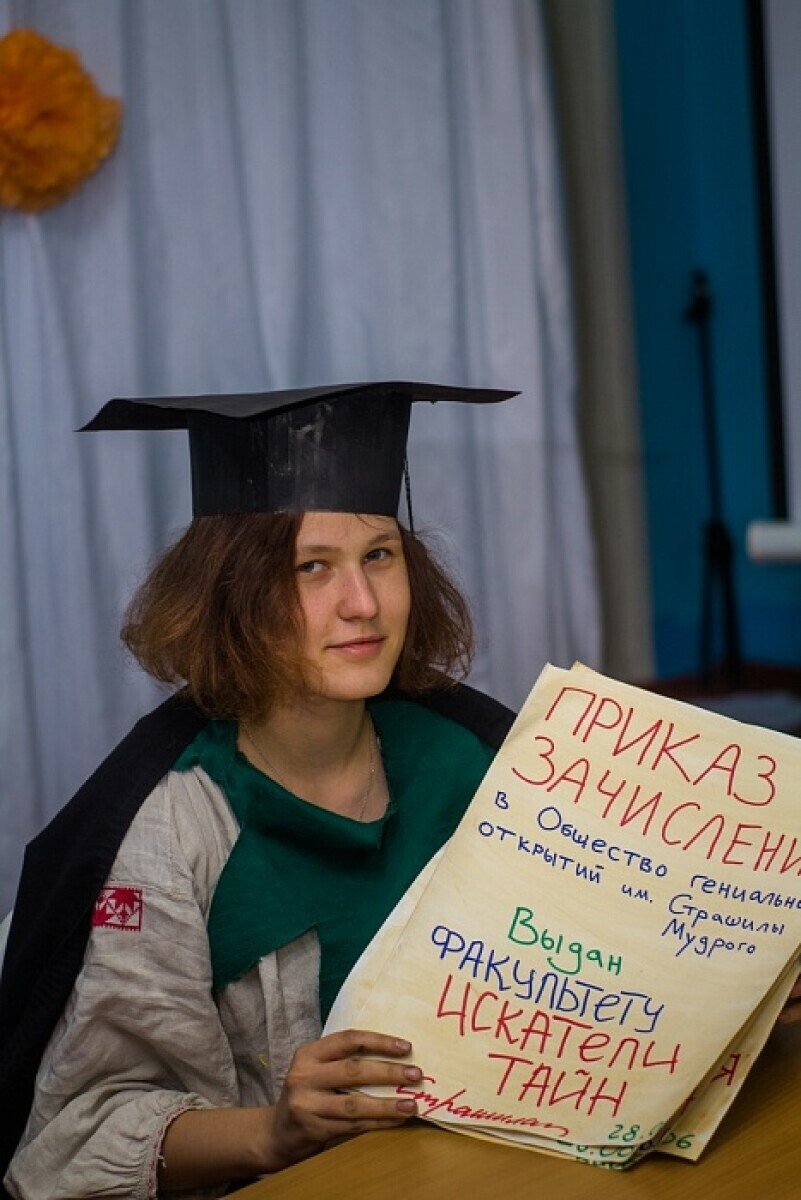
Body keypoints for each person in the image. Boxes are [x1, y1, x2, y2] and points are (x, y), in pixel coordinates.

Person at [0, 381, 517, 1198]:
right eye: (312, 567)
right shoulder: (170, 828)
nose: (362, 604)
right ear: (230, 595)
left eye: (379, 556)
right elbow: (78, 1133)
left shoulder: (477, 761)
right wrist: (275, 1133)